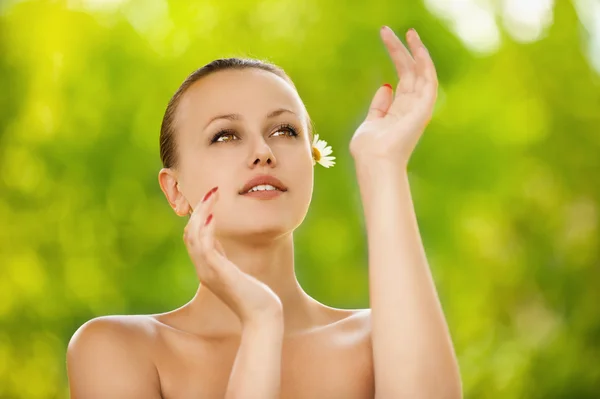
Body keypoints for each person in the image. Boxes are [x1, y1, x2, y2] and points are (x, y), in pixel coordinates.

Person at [66, 26, 462, 399]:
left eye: (285, 131)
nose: (263, 152)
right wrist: (261, 323)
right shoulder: (117, 349)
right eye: (225, 135)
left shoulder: (381, 339)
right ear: (175, 190)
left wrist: (383, 164)